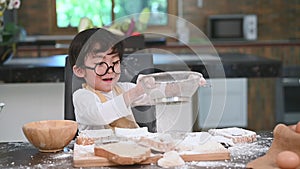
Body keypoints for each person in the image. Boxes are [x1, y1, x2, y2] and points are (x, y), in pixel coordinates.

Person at [68, 27, 207, 132]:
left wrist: (188, 83)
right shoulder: (82, 97)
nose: (109, 70)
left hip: (130, 152)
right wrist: (136, 92)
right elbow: (101, 114)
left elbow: (162, 93)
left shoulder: (124, 89)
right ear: (80, 71)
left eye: (115, 62)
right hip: (95, 158)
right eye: (100, 64)